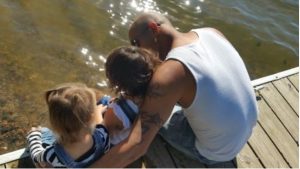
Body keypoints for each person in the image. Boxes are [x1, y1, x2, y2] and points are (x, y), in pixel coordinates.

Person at [90, 11, 258, 167]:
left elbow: (136, 146)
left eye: (136, 43)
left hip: (217, 151)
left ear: (154, 28)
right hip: (245, 129)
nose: (137, 50)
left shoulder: (171, 72)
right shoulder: (210, 33)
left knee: (142, 107)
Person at [27, 83, 142, 168]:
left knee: (44, 133)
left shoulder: (52, 154)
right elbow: (99, 126)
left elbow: (36, 155)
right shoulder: (102, 135)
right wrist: (98, 113)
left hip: (59, 162)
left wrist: (33, 135)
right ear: (91, 117)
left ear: (55, 123)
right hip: (91, 160)